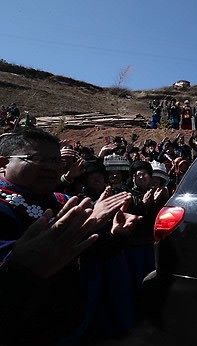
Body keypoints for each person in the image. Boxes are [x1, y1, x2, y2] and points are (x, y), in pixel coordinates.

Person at [0, 127, 140, 344]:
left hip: (70, 321)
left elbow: (88, 253)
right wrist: (19, 266)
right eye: (38, 159)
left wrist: (113, 234)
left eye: (56, 161)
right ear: (3, 163)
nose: (51, 168)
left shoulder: (64, 200)